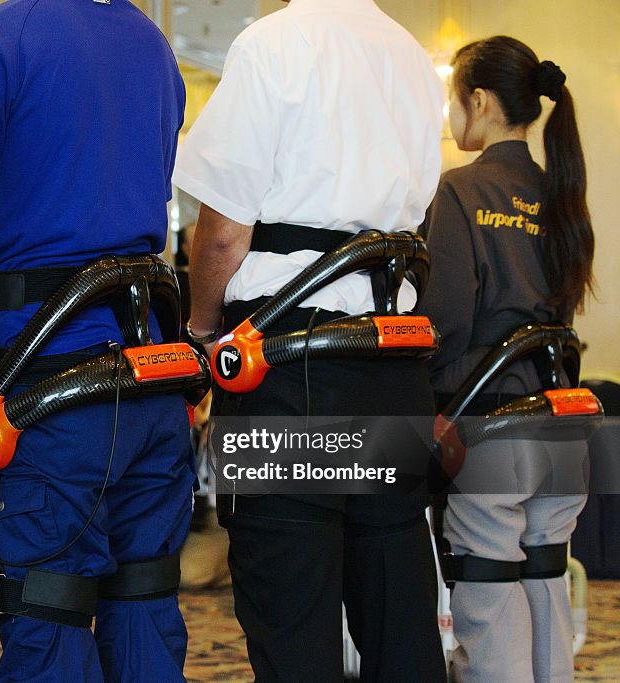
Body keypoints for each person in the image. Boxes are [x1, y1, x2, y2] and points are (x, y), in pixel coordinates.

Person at [173, 0, 447, 680]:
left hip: (290, 364)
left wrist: (202, 329)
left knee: (294, 618)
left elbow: (225, 230)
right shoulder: (410, 55)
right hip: (389, 364)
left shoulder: (272, 43)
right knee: (397, 613)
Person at [0, 1, 191, 680]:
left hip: (44, 387)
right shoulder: (155, 48)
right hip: (149, 380)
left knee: (49, 611)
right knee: (144, 607)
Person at [417, 36, 595, 683]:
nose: (451, 115)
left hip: (491, 428)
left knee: (489, 601)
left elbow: (444, 322)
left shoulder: (461, 191)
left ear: (481, 100)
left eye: (453, 100)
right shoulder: (561, 190)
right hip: (562, 428)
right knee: (545, 582)